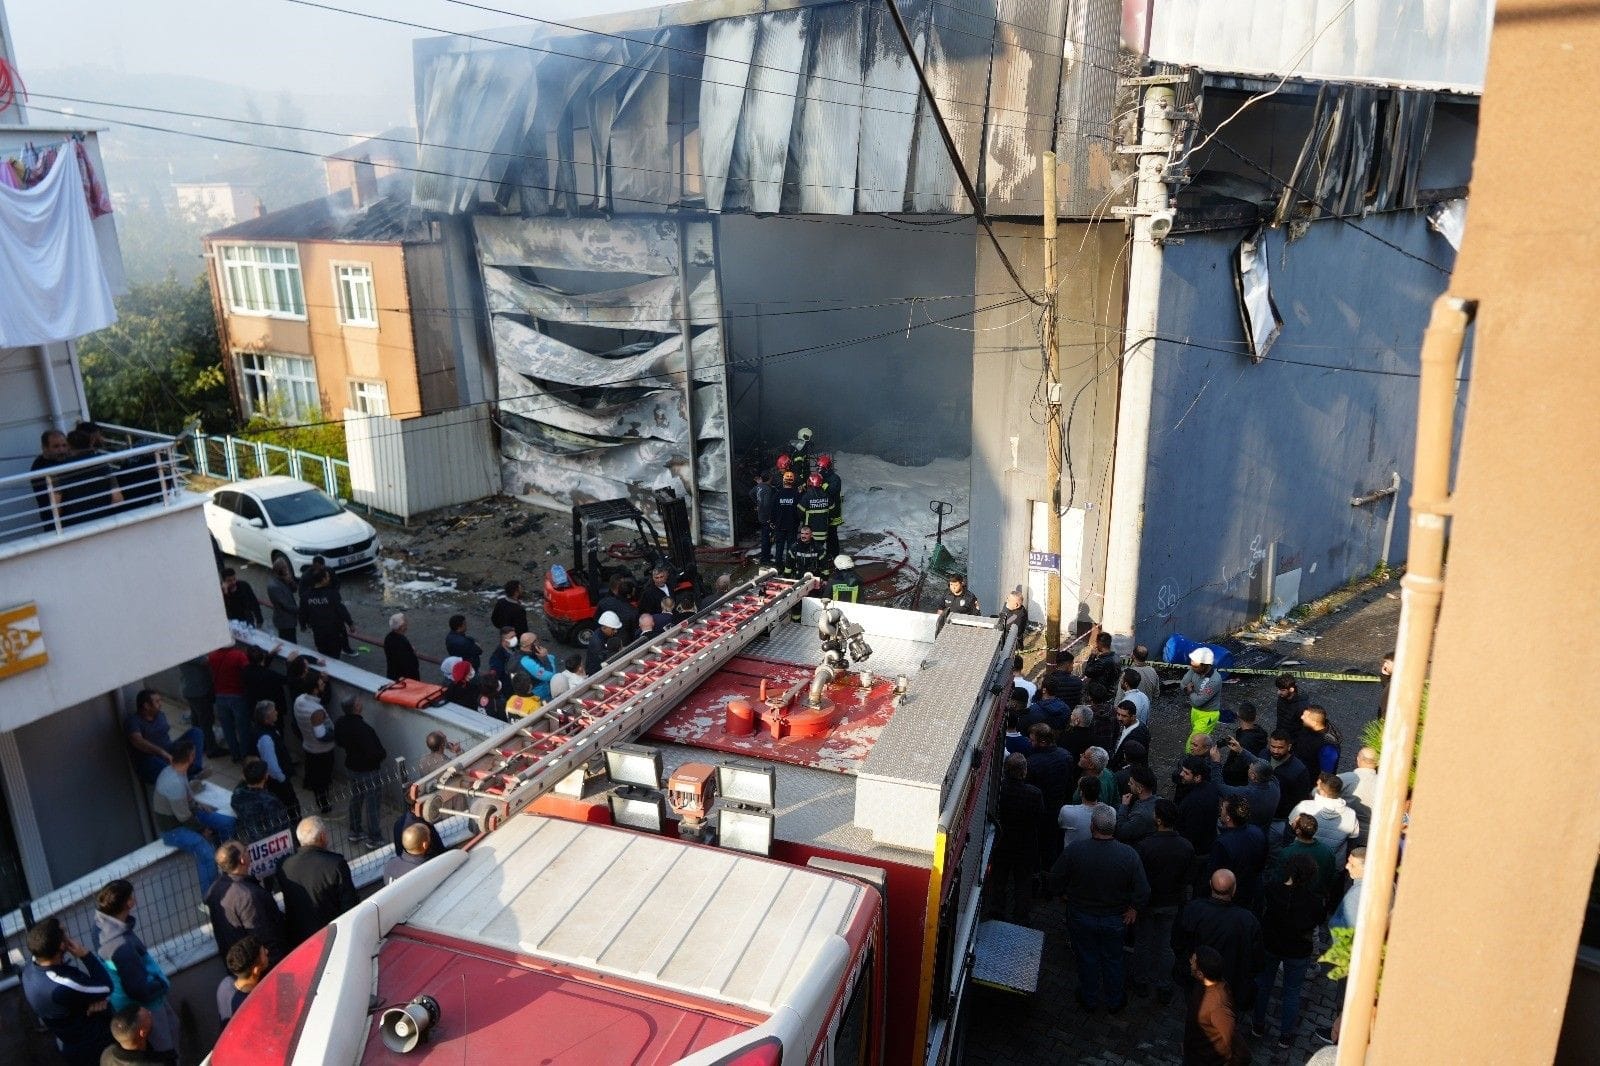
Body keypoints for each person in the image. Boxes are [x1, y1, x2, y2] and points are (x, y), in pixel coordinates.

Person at [1046, 807, 1149, 1013]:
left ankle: (1089, 998)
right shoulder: (1129, 855)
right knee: (1114, 960)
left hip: (1081, 916)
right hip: (1115, 919)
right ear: (1114, 827)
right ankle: (1115, 1000)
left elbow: (1055, 878)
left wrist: (1062, 894)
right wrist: (1134, 908)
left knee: (1087, 958)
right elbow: (1143, 889)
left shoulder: (1075, 850)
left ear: (1092, 826)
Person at [92, 880, 177, 1056]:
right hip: (148, 1004)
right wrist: (161, 984)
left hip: (129, 1003)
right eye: (132, 896)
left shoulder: (101, 926)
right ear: (129, 903)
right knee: (166, 1048)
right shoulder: (122, 945)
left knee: (172, 1028)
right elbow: (138, 989)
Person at [1253, 853, 1325, 1049]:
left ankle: (1257, 1025)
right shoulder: (1314, 901)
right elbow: (1318, 921)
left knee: (1264, 985)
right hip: (1298, 951)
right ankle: (1285, 1035)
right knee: (1292, 992)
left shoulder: (1272, 889)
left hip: (1271, 944)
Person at [22, 915, 114, 1066]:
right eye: (64, 933)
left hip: (69, 1043)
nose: (68, 935)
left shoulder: (29, 968)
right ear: (61, 946)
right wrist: (86, 955)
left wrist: (88, 1004)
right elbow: (106, 987)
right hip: (93, 1048)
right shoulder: (63, 984)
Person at [1172, 869, 1264, 1014]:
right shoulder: (1247, 920)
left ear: (1210, 885)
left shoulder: (1193, 909)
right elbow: (1257, 961)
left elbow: (1177, 943)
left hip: (1197, 981)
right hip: (1230, 986)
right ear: (1234, 889)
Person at [1132, 800, 1194, 1004]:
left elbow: (1138, 879)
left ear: (1158, 820)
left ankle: (1141, 981)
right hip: (1171, 903)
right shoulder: (1186, 846)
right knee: (1165, 945)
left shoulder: (1145, 845)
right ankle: (1163, 984)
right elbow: (1187, 878)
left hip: (1149, 903)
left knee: (1143, 942)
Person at [152, 740, 236, 890]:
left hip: (187, 814)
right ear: (190, 757)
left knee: (228, 823)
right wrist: (202, 829)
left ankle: (227, 862)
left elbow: (187, 799)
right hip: (173, 829)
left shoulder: (175, 771)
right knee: (206, 853)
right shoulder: (173, 783)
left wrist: (199, 805)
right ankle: (210, 896)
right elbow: (183, 817)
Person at [279, 817, 359, 947]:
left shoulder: (284, 866)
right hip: (330, 939)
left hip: (299, 942)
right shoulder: (335, 864)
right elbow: (350, 906)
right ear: (322, 837)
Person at [204, 841, 286, 964]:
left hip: (238, 965)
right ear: (242, 860)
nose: (248, 852)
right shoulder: (247, 896)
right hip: (263, 966)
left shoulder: (215, 889)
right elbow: (264, 937)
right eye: (245, 850)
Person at [988, 753, 1043, 923]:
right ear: (1024, 771)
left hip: (1002, 842)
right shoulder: (1034, 793)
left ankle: (997, 911)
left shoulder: (998, 790)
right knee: (1023, 882)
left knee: (999, 879)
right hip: (1025, 844)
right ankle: (1021, 916)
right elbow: (1039, 817)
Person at [123, 689, 207, 787]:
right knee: (157, 765)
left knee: (196, 732)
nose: (160, 704)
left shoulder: (160, 715)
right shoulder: (133, 721)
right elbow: (137, 741)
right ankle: (188, 782)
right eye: (157, 702)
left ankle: (194, 770)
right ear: (146, 706)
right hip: (150, 760)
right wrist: (161, 752)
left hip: (169, 751)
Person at [334, 696, 388, 847]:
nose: (361, 703)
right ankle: (374, 837)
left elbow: (338, 741)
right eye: (359, 702)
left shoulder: (340, 723)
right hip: (368, 771)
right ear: (356, 707)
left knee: (356, 799)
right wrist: (381, 755)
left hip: (352, 767)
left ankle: (355, 831)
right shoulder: (364, 729)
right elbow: (375, 752)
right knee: (372, 804)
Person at [1184, 946, 1250, 1066]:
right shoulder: (1203, 984)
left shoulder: (1217, 1006)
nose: (1190, 962)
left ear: (1200, 973)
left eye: (1193, 962)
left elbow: (1242, 1053)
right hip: (1194, 1054)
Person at [1024, 725, 1075, 866]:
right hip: (1060, 807)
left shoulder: (1032, 763)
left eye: (1032, 740)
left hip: (1042, 812)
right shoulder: (1066, 756)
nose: (1030, 743)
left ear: (1042, 742)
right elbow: (1069, 784)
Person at [1288, 773, 1359, 865]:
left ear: (1323, 793)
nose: (1316, 787)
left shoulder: (1304, 806)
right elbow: (1352, 843)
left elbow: (1289, 831)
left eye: (1318, 785)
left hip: (1302, 861)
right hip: (1333, 864)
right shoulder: (1351, 814)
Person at [1209, 798, 1268, 909]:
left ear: (1228, 818)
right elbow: (1262, 863)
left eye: (1222, 809)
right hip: (1252, 892)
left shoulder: (1222, 843)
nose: (1220, 810)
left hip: (1232, 897)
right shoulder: (1258, 832)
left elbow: (1215, 874)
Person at [293, 670, 337, 814]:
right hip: (322, 750)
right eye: (321, 683)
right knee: (322, 779)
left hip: (308, 746)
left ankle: (320, 797)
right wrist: (337, 733)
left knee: (315, 776)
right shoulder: (316, 710)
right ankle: (324, 804)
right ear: (314, 689)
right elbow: (321, 735)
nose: (323, 684)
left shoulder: (299, 700)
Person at [1270, 814, 1340, 902]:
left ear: (1298, 831)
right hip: (1316, 899)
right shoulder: (1327, 851)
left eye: (1294, 822)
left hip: (1292, 899)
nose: (1292, 823)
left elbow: (1278, 878)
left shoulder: (1287, 852)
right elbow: (1332, 875)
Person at [253, 701, 301, 821]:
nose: (276, 712)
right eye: (273, 711)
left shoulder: (269, 729)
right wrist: (282, 779)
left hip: (278, 780)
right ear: (266, 717)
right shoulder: (266, 738)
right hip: (278, 782)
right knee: (290, 808)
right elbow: (271, 766)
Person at [207, 639, 252, 762]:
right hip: (237, 695)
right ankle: (245, 755)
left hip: (220, 695)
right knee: (243, 728)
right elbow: (248, 671)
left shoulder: (212, 656)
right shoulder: (239, 655)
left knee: (227, 728)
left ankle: (235, 754)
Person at [231, 757, 292, 846]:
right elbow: (281, 826)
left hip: (249, 838)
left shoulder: (237, 794)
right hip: (270, 843)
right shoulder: (270, 801)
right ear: (265, 776)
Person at [298, 568, 355, 660]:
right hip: (334, 633)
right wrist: (350, 623)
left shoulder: (305, 596)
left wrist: (303, 625)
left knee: (323, 655)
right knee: (335, 656)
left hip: (318, 633)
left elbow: (302, 613)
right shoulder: (332, 593)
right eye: (327, 577)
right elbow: (341, 610)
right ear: (323, 580)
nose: (329, 578)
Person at [1216, 757, 1280, 834]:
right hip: (1263, 832)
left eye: (1250, 768)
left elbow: (1218, 786)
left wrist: (1216, 763)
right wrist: (1242, 752)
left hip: (1244, 833)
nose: (1248, 769)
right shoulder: (1275, 785)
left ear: (1253, 776)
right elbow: (1265, 767)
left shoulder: (1246, 793)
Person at [177, 653, 223, 758]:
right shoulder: (190, 651)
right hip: (199, 691)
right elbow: (206, 661)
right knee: (206, 721)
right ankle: (211, 749)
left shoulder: (181, 650)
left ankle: (199, 744)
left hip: (190, 689)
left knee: (197, 719)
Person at [216, 937, 269, 1028]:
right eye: (264, 953)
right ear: (256, 970)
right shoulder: (253, 1006)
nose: (267, 951)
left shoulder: (225, 983)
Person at [1265, 729, 1313, 830]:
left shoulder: (1299, 770)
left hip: (1280, 819)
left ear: (1289, 746)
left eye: (1280, 747)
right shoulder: (1264, 755)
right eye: (1273, 746)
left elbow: (1301, 800)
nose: (1275, 751)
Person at [1174, 758, 1222, 855]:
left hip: (1196, 849)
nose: (1181, 774)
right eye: (1182, 770)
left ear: (1197, 777)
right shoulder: (1210, 788)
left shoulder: (1193, 801)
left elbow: (1191, 832)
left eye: (1186, 773)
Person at [1058, 773, 1114, 855]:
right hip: (1098, 855)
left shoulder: (1067, 811)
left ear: (1081, 793)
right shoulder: (1110, 811)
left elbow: (1061, 824)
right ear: (1099, 793)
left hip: (1074, 856)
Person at [101, 1005, 176, 1065]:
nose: (150, 1013)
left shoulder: (107, 1054)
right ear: (142, 1033)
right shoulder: (160, 1063)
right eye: (148, 1017)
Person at [1338, 747, 1379, 847]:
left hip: (1345, 831)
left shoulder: (1343, 778)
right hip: (1373, 835)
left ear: (1358, 759)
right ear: (1377, 763)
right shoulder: (1385, 784)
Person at [1181, 647, 1224, 744]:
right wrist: (1188, 690)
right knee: (1201, 741)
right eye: (1192, 665)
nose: (1192, 668)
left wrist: (1190, 691)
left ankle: (1191, 754)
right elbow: (1183, 684)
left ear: (1205, 665)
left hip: (1208, 715)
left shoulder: (1214, 680)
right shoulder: (1194, 669)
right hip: (1195, 710)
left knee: (1194, 742)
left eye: (1195, 667)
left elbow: (1198, 701)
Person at [29, 428, 71, 526]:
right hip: (56, 521)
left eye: (64, 445)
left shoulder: (61, 460)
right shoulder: (40, 467)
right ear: (45, 448)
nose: (62, 450)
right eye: (56, 446)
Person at [1115, 765, 1160, 845]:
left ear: (1139, 789)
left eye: (1131, 783)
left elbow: (1122, 832)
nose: (1128, 784)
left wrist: (1124, 806)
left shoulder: (1140, 815)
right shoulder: (1159, 800)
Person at [1293, 705, 1342, 774]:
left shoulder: (1328, 747)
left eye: (1305, 717)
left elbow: (1326, 774)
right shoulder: (1309, 727)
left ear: (1314, 723)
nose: (1302, 717)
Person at [771, 469, 801, 572]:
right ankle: (789, 566)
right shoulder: (797, 495)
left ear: (783, 481)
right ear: (793, 481)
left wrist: (773, 522)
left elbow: (773, 510)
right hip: (792, 525)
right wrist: (798, 522)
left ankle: (778, 565)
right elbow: (799, 511)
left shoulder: (777, 494)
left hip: (780, 525)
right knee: (791, 546)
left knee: (779, 546)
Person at [1329, 847, 1366, 929]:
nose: (1346, 866)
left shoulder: (1356, 895)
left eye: (1352, 865)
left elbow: (1348, 930)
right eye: (1348, 862)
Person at [1109, 699, 1151, 771]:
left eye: (1124, 716)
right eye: (1118, 714)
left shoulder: (1137, 736)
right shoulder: (1130, 725)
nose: (1119, 718)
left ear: (1133, 717)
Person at [264, 558, 299, 643]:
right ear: (279, 570)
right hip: (284, 622)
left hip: (290, 620)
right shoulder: (274, 586)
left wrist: (290, 581)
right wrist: (301, 610)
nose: (287, 570)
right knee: (289, 642)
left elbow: (294, 590)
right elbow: (286, 605)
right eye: (285, 568)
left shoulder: (283, 579)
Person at [517, 632, 560, 701]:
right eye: (536, 640)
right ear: (531, 644)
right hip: (540, 694)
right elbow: (549, 676)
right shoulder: (527, 661)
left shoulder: (519, 654)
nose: (538, 642)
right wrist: (547, 657)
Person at [817, 453, 844, 558]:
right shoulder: (822, 477)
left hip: (833, 511)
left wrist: (821, 484)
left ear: (827, 468)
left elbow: (832, 491)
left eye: (821, 468)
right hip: (824, 511)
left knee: (832, 535)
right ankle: (826, 554)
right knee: (824, 534)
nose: (819, 470)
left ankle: (834, 555)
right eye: (819, 468)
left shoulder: (835, 479)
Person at [383, 612, 420, 681]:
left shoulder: (388, 638)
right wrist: (412, 652)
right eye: (405, 623)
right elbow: (408, 664)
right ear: (401, 627)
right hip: (405, 680)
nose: (407, 625)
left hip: (392, 675)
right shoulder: (402, 642)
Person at [1273, 673, 1312, 739]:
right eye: (1278, 689)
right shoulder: (1282, 698)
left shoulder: (1302, 706)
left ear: (1291, 689)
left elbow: (1307, 728)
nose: (1278, 692)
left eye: (1282, 690)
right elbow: (1280, 718)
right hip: (1283, 735)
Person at [750, 470, 776, 565]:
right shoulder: (768, 489)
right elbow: (767, 504)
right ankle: (765, 559)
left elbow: (751, 493)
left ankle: (766, 555)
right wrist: (770, 518)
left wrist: (758, 504)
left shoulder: (759, 486)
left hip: (761, 515)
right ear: (770, 478)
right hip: (766, 517)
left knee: (765, 537)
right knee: (767, 538)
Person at [586, 611, 623, 675]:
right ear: (604, 628)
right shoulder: (597, 643)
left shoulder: (604, 634)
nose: (616, 631)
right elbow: (603, 663)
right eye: (613, 629)